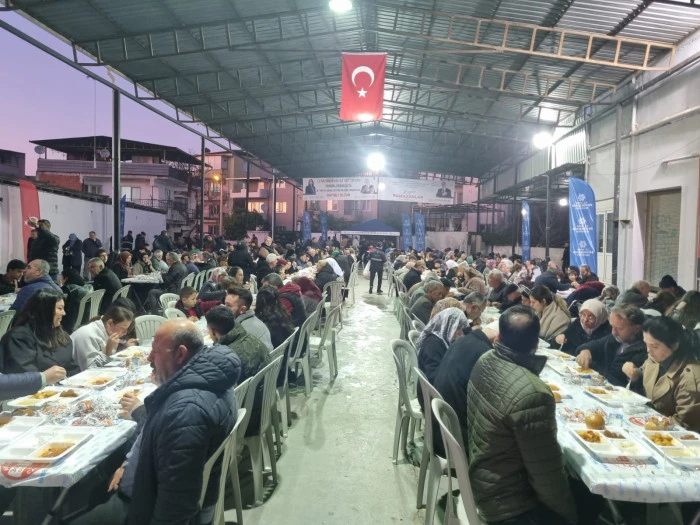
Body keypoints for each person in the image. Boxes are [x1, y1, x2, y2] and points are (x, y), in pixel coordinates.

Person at [70, 319, 241, 525]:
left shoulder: (185, 412)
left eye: (155, 351)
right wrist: (127, 463)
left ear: (180, 354)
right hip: (147, 484)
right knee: (97, 487)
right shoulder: (214, 379)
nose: (149, 357)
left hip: (142, 505)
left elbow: (176, 505)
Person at [467, 306, 578, 525]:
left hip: (481, 476)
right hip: (508, 506)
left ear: (499, 337)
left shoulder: (485, 359)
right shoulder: (533, 394)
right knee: (589, 499)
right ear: (536, 344)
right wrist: (570, 515)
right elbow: (547, 475)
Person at [622, 316, 700, 431]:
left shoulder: (691, 376)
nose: (648, 350)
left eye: (654, 346)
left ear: (675, 345)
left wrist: (652, 425)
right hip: (650, 423)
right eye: (646, 344)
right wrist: (635, 375)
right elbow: (646, 376)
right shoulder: (656, 358)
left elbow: (684, 423)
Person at [432, 322, 492, 454]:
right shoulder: (484, 353)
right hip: (457, 440)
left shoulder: (458, 343)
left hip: (440, 427)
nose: (460, 332)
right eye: (458, 328)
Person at [1, 289, 79, 376]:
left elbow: (71, 367)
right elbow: (26, 377)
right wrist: (47, 377)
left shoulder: (61, 335)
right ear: (45, 311)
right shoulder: (18, 339)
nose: (64, 313)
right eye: (60, 308)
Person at [575, 304, 648, 389]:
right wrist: (586, 350)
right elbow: (594, 345)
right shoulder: (614, 338)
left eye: (619, 329)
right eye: (612, 326)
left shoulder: (646, 351)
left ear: (636, 329)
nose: (614, 332)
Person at [205, 305, 269, 382]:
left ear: (213, 332)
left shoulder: (224, 358)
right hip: (268, 385)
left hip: (250, 389)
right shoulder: (252, 338)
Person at [416, 307, 470, 388]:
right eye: (458, 328)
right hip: (429, 391)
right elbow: (433, 378)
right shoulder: (434, 345)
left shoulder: (443, 340)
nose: (461, 333)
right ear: (448, 325)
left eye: (462, 329)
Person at [71, 305, 135, 370]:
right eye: (123, 328)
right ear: (109, 323)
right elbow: (91, 369)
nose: (125, 333)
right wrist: (108, 349)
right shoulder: (88, 334)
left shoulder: (107, 333)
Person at [26, 217, 60, 282]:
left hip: (50, 272)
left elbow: (48, 235)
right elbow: (31, 256)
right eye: (38, 226)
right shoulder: (35, 240)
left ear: (48, 227)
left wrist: (36, 226)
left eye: (41, 226)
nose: (38, 228)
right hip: (36, 272)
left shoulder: (54, 238)